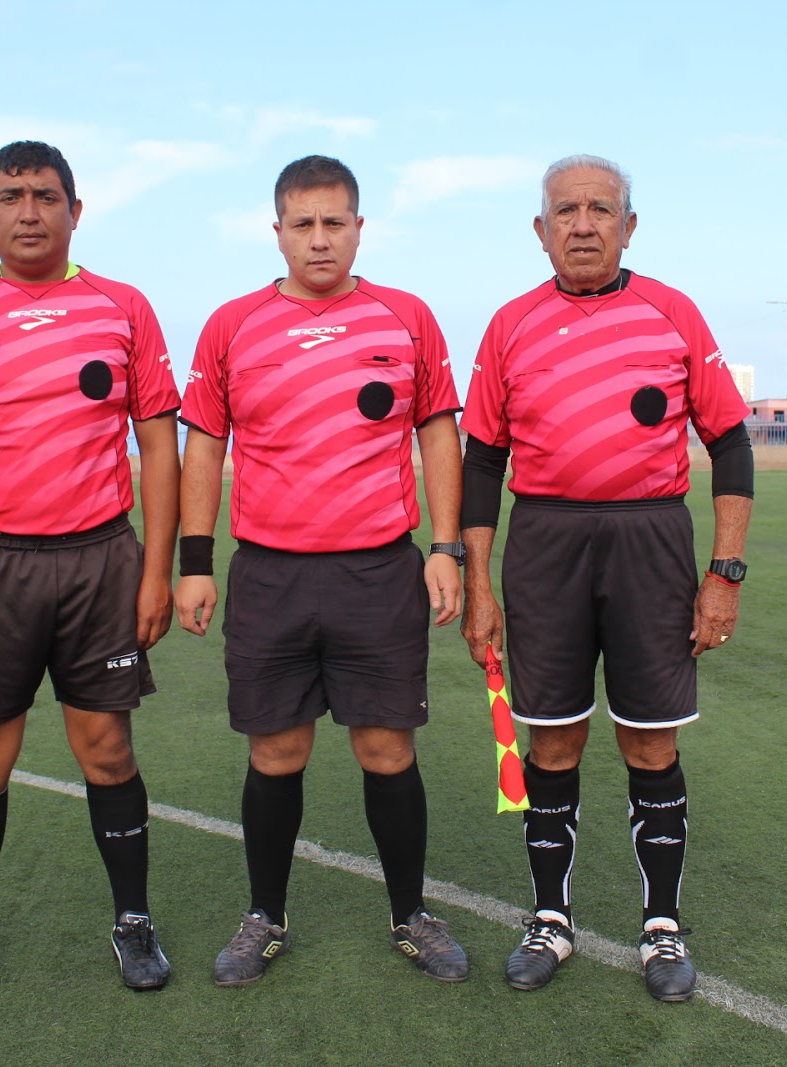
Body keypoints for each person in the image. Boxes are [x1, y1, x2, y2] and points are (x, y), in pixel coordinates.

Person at [0, 140, 181, 1002]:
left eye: (46, 196)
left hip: (99, 561)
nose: (28, 211)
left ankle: (133, 921)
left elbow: (159, 446)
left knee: (107, 748)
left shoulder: (123, 306)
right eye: (11, 196)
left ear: (75, 211)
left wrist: (156, 570)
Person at [459, 154, 755, 1002]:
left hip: (649, 540)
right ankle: (551, 919)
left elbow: (730, 442)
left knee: (650, 740)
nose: (582, 224)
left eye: (600, 209)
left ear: (630, 226)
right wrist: (479, 584)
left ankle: (661, 926)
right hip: (545, 542)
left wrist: (724, 573)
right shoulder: (510, 324)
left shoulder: (673, 312)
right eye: (566, 210)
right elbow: (483, 461)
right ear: (540, 229)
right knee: (552, 739)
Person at [173, 155, 469, 986]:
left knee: (386, 748)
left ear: (359, 228)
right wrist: (195, 562)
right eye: (302, 224)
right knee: (276, 751)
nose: (318, 239)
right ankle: (264, 916)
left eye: (334, 222)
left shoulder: (407, 317)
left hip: (378, 572)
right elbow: (205, 445)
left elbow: (437, 431)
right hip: (270, 575)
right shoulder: (232, 325)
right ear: (277, 231)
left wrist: (446, 547)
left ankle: (410, 914)